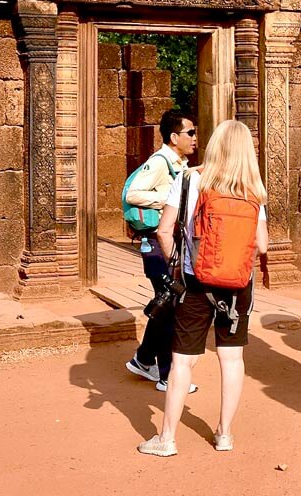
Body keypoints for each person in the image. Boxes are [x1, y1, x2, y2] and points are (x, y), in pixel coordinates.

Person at [136, 119, 269, 457]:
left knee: (183, 361)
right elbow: (263, 245)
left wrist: (178, 266)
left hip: (196, 282)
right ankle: (224, 434)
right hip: (238, 285)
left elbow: (165, 231)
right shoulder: (253, 188)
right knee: (232, 357)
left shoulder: (192, 179)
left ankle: (167, 438)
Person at [123, 109, 197, 392]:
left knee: (166, 302)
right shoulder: (159, 162)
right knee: (171, 304)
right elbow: (133, 194)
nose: (194, 138)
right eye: (190, 133)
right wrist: (171, 199)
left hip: (167, 242)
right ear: (174, 136)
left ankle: (143, 360)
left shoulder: (177, 163)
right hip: (156, 243)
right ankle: (167, 375)